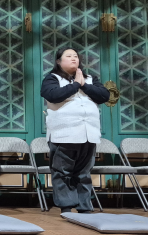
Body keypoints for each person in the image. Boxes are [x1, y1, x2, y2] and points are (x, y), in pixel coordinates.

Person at [40, 48, 110, 213]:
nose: (73, 58)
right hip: (64, 134)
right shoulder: (52, 78)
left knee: (84, 173)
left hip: (88, 133)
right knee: (62, 172)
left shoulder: (90, 79)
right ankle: (66, 207)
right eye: (69, 56)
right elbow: (52, 95)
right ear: (59, 61)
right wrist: (76, 85)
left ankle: (84, 207)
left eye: (76, 56)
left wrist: (83, 84)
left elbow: (104, 96)